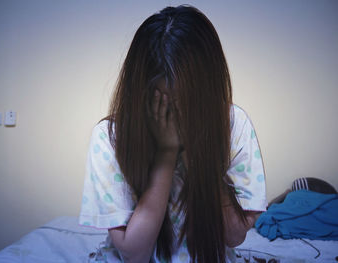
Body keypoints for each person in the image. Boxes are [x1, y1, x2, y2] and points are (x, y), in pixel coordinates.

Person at [79, 5, 267, 263]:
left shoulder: (234, 124)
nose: (175, 114)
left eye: (186, 102)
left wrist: (199, 154)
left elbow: (234, 237)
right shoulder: (109, 137)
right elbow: (135, 254)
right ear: (140, 95)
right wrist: (166, 154)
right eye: (161, 102)